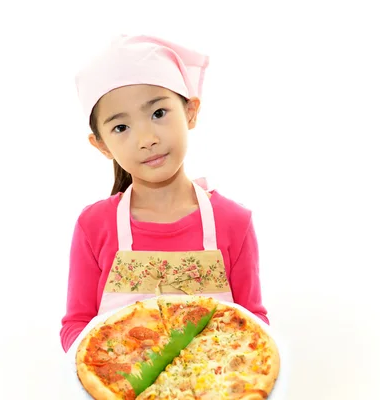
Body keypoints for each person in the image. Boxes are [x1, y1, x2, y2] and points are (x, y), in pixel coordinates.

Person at [59, 34, 268, 352]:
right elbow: (75, 325)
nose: (146, 138)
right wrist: (107, 366)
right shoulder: (94, 225)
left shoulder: (234, 221)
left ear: (191, 111)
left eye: (158, 113)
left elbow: (253, 322)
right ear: (101, 145)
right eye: (121, 127)